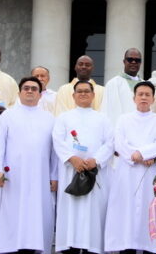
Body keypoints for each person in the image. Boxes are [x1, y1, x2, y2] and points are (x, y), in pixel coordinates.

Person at [0, 77, 59, 253]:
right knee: (12, 214)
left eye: (34, 89)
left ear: (40, 94)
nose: (30, 91)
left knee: (37, 215)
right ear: (19, 92)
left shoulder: (50, 119)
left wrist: (54, 176)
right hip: (12, 177)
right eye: (26, 88)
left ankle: (33, 247)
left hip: (40, 177)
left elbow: (54, 152)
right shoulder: (7, 115)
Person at [104, 81, 156, 254]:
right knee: (127, 211)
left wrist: (144, 153)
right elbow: (119, 142)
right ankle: (126, 246)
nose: (144, 98)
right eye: (141, 94)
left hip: (149, 173)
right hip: (127, 171)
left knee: (149, 210)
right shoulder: (124, 119)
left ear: (153, 98)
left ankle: (149, 247)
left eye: (148, 95)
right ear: (134, 98)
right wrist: (136, 156)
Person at [53, 80, 114, 254]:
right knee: (70, 212)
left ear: (93, 95)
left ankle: (92, 247)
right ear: (73, 96)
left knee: (93, 213)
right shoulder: (64, 117)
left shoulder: (102, 118)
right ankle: (69, 246)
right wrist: (72, 158)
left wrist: (96, 160)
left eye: (87, 91)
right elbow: (57, 140)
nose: (83, 94)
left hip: (95, 172)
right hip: (70, 171)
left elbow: (110, 143)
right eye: (79, 91)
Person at [101, 48, 143, 123]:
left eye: (137, 60)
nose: (133, 62)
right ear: (124, 62)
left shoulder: (145, 85)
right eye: (130, 59)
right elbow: (108, 112)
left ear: (140, 63)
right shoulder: (113, 84)